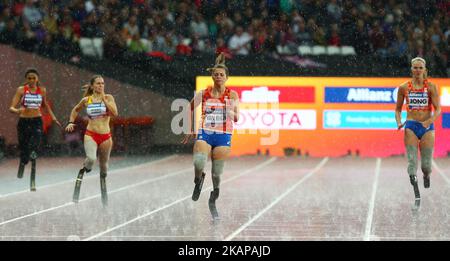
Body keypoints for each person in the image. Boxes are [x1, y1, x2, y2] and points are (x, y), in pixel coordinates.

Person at [182, 53, 240, 219]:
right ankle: (198, 180)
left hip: (223, 135)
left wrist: (229, 110)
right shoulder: (204, 93)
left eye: (222, 75)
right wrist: (190, 128)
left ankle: (213, 198)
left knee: (216, 173)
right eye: (216, 74)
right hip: (206, 132)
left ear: (227, 78)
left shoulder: (232, 95)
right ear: (212, 76)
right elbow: (189, 107)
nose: (219, 77)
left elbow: (237, 118)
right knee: (199, 160)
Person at [395, 57, 441, 210]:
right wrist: (398, 121)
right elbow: (397, 109)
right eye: (415, 68)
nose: (417, 70)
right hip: (411, 126)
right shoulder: (403, 88)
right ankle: (417, 195)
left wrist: (430, 120)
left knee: (426, 166)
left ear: (425, 70)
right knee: (412, 163)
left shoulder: (431, 87)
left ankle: (426, 175)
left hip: (427, 127)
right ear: (411, 70)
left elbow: (438, 109)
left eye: (420, 68)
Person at [65, 75, 118, 206]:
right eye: (98, 83)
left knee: (104, 167)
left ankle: (103, 179)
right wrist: (71, 122)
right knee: (91, 159)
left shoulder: (109, 98)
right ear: (92, 86)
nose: (101, 85)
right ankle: (85, 168)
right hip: (91, 134)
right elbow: (75, 110)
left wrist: (105, 101)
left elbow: (115, 113)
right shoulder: (86, 100)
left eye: (102, 83)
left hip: (105, 136)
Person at [8, 68, 61, 191]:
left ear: (37, 79)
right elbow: (11, 107)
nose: (31, 80)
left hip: (37, 121)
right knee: (24, 148)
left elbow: (46, 105)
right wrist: (17, 110)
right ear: (26, 79)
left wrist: (53, 118)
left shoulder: (42, 90)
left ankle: (32, 180)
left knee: (34, 147)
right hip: (23, 122)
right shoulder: (21, 90)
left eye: (34, 78)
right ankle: (23, 162)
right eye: (29, 78)